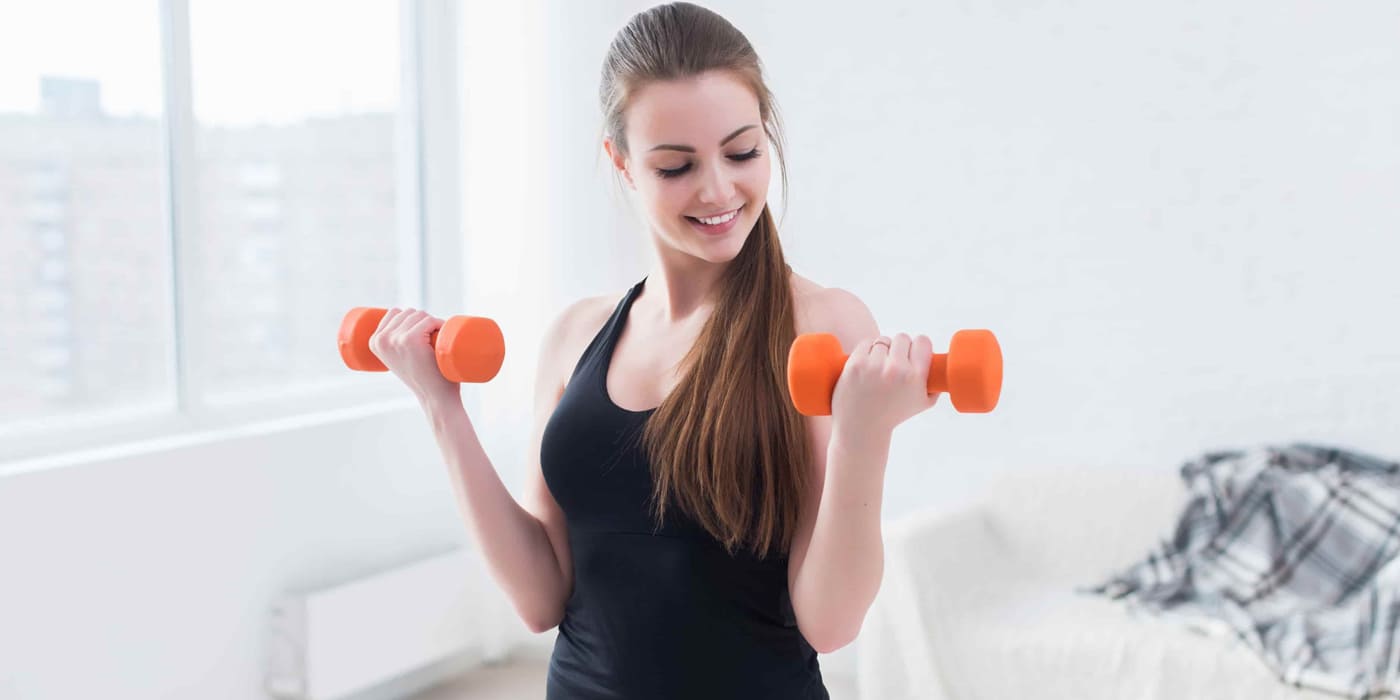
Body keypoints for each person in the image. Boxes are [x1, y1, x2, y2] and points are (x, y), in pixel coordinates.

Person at [369, 3, 941, 697]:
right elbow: (540, 597)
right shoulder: (576, 335)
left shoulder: (820, 324)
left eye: (742, 153)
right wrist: (442, 408)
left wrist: (863, 435)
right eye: (676, 166)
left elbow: (831, 623)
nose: (717, 189)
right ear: (622, 163)